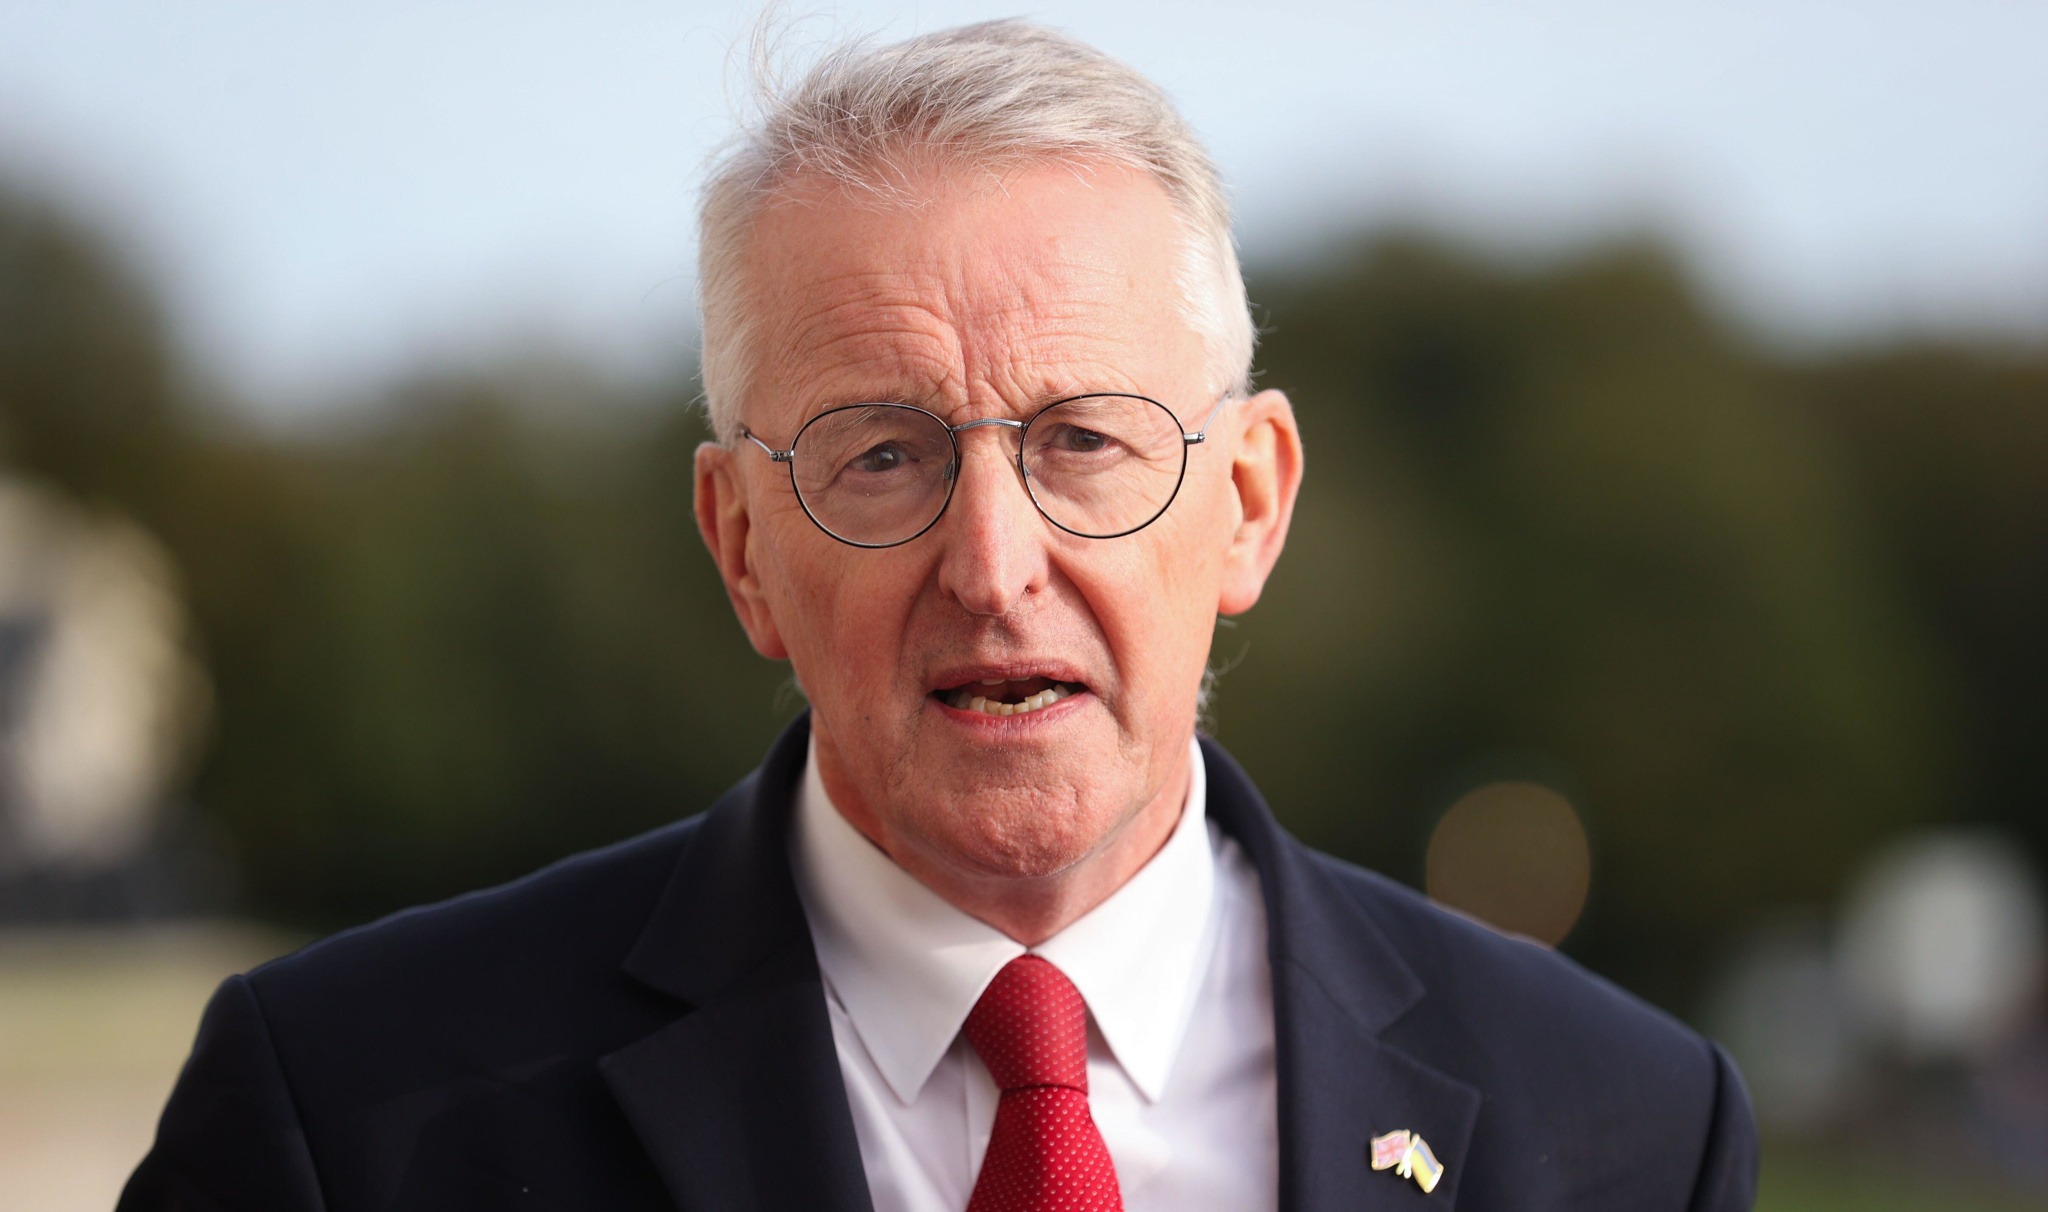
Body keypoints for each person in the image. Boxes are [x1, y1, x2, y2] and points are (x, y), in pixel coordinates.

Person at [122, 19, 1757, 1212]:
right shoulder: (345, 1114)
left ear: (1248, 501)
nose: (992, 561)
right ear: (742, 543)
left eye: (1086, 442)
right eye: (883, 456)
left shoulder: (1621, 1127)